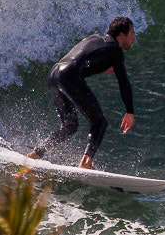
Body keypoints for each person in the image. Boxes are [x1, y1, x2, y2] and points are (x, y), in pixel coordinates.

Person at [28, 17, 136, 169]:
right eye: (132, 33)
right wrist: (129, 111)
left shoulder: (96, 38)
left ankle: (36, 154)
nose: (134, 38)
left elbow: (81, 57)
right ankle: (86, 163)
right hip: (69, 76)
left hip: (54, 74)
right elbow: (123, 82)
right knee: (99, 122)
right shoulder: (115, 49)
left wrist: (100, 66)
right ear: (122, 34)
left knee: (70, 126)